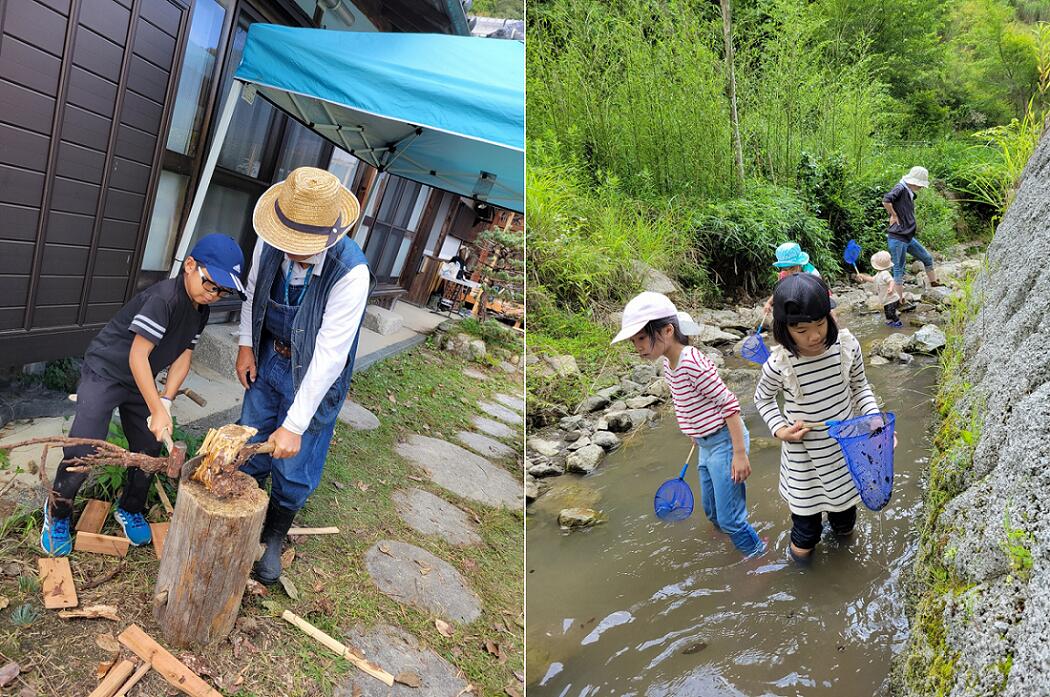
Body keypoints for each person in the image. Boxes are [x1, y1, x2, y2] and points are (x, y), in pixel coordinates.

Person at [41, 234, 246, 555]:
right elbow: (137, 356)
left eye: (223, 291)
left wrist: (165, 399)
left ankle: (130, 508)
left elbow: (183, 355)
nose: (214, 295)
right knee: (83, 447)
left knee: (150, 449)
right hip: (106, 372)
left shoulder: (200, 309)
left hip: (141, 379)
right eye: (210, 284)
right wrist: (158, 406)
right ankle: (57, 513)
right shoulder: (164, 299)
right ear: (190, 266)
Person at [235, 166, 373, 585]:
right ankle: (243, 521)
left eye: (300, 245)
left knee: (294, 463)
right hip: (268, 356)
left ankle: (274, 536)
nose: (289, 249)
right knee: (251, 438)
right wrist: (245, 342)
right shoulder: (271, 237)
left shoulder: (351, 273)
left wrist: (294, 425)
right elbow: (254, 290)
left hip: (313, 372)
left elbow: (330, 356)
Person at [612, 291, 765, 557]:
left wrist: (739, 455)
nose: (637, 346)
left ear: (668, 330)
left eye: (641, 338)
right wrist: (694, 431)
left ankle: (758, 558)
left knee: (730, 519)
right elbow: (689, 401)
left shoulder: (692, 363)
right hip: (705, 445)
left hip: (726, 444)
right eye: (634, 340)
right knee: (713, 512)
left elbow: (729, 405)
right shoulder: (668, 363)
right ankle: (734, 546)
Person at [754, 273, 890, 564]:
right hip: (804, 458)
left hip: (844, 454)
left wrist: (874, 420)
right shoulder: (780, 364)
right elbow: (762, 399)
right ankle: (802, 581)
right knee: (805, 531)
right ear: (784, 329)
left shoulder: (846, 347)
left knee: (845, 521)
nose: (814, 336)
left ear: (830, 317)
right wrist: (780, 430)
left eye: (820, 324)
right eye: (802, 330)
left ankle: (844, 567)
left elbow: (860, 387)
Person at [882, 166, 941, 288]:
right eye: (920, 185)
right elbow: (886, 200)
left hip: (908, 237)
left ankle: (934, 284)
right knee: (898, 270)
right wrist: (893, 215)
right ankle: (896, 298)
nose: (920, 188)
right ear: (913, 181)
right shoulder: (900, 188)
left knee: (927, 258)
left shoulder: (908, 191)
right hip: (898, 237)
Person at [763, 242, 824, 315]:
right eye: (785, 269)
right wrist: (768, 303)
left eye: (791, 268)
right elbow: (779, 291)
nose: (789, 273)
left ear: (799, 264)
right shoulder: (783, 274)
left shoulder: (812, 274)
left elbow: (821, 294)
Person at [854, 250, 907, 327]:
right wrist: (863, 276)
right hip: (886, 300)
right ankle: (890, 322)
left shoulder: (885, 273)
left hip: (891, 299)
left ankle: (898, 323)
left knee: (891, 313)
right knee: (887, 314)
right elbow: (872, 279)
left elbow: (891, 281)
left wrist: (890, 288)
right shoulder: (879, 274)